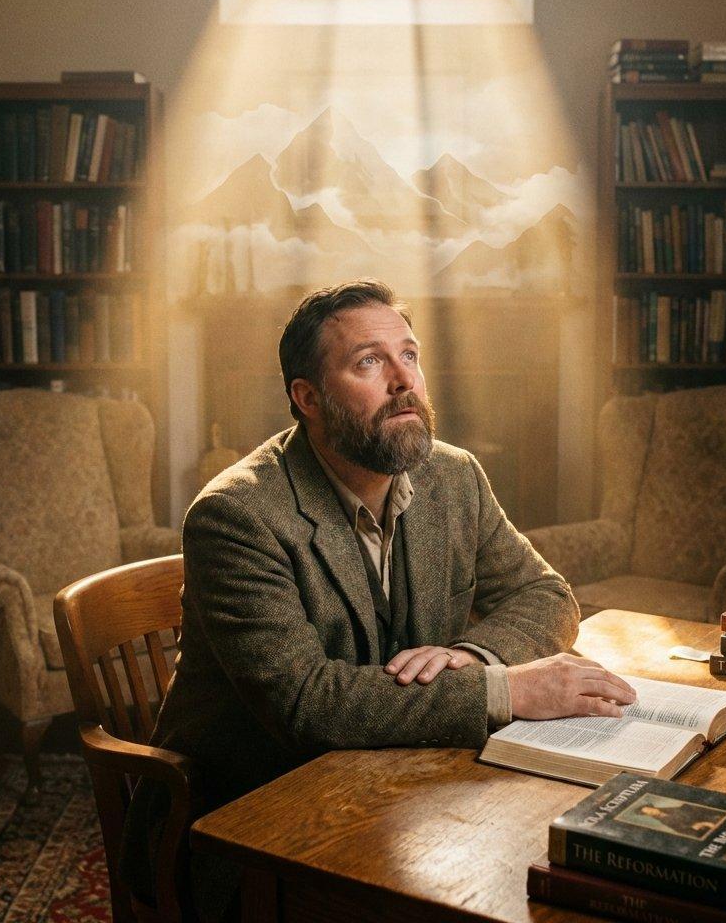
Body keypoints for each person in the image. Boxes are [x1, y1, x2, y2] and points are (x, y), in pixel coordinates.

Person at [121, 279, 636, 921]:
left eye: (410, 355)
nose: (404, 382)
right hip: (247, 829)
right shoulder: (237, 516)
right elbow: (307, 704)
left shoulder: (453, 476)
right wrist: (505, 689)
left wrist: (474, 658)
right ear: (308, 398)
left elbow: (545, 593)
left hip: (404, 790)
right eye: (369, 362)